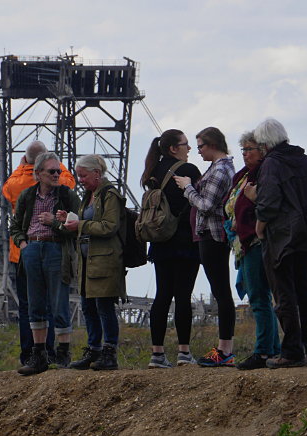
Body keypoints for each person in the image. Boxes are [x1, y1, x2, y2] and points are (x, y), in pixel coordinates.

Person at [253, 118, 307, 369]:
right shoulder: (306, 161)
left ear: (265, 143)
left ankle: (291, 352)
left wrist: (260, 226)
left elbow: (268, 202)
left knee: (284, 294)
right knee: (306, 293)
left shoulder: (272, 164)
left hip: (282, 238)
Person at [1, 140, 75, 365]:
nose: (57, 174)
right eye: (52, 171)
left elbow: (75, 223)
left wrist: (54, 224)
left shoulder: (15, 184)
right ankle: (41, 353)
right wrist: (24, 244)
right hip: (31, 249)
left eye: (58, 170)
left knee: (54, 303)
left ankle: (55, 354)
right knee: (36, 304)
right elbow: (15, 225)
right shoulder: (30, 194)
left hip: (50, 247)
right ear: (39, 172)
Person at [173, 127, 236, 367]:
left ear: (212, 144)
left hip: (213, 235)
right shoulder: (219, 167)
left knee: (221, 292)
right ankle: (223, 349)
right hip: (209, 235)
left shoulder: (220, 170)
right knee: (221, 291)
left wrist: (188, 188)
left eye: (200, 146)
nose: (196, 151)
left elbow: (207, 204)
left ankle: (224, 350)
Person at [57, 155, 125, 371]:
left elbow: (109, 226)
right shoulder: (89, 196)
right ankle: (93, 349)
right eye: (79, 175)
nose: (80, 180)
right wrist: (68, 221)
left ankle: (109, 351)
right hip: (87, 261)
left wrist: (81, 224)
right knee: (88, 307)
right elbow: (87, 224)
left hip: (104, 260)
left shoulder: (109, 195)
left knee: (104, 306)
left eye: (83, 175)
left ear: (97, 173)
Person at [140, 129, 201, 368]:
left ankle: (157, 354)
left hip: (160, 240)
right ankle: (184, 352)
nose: (190, 149)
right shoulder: (188, 171)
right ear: (174, 148)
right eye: (186, 144)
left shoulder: (151, 172)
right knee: (183, 296)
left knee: (162, 295)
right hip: (184, 241)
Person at [223, 132, 281, 370]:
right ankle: (272, 348)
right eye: (243, 150)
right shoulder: (242, 176)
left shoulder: (263, 174)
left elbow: (268, 204)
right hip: (241, 242)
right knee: (259, 297)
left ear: (263, 150)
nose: (246, 154)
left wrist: (251, 208)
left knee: (259, 297)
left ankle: (264, 351)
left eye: (250, 149)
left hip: (256, 241)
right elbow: (231, 205)